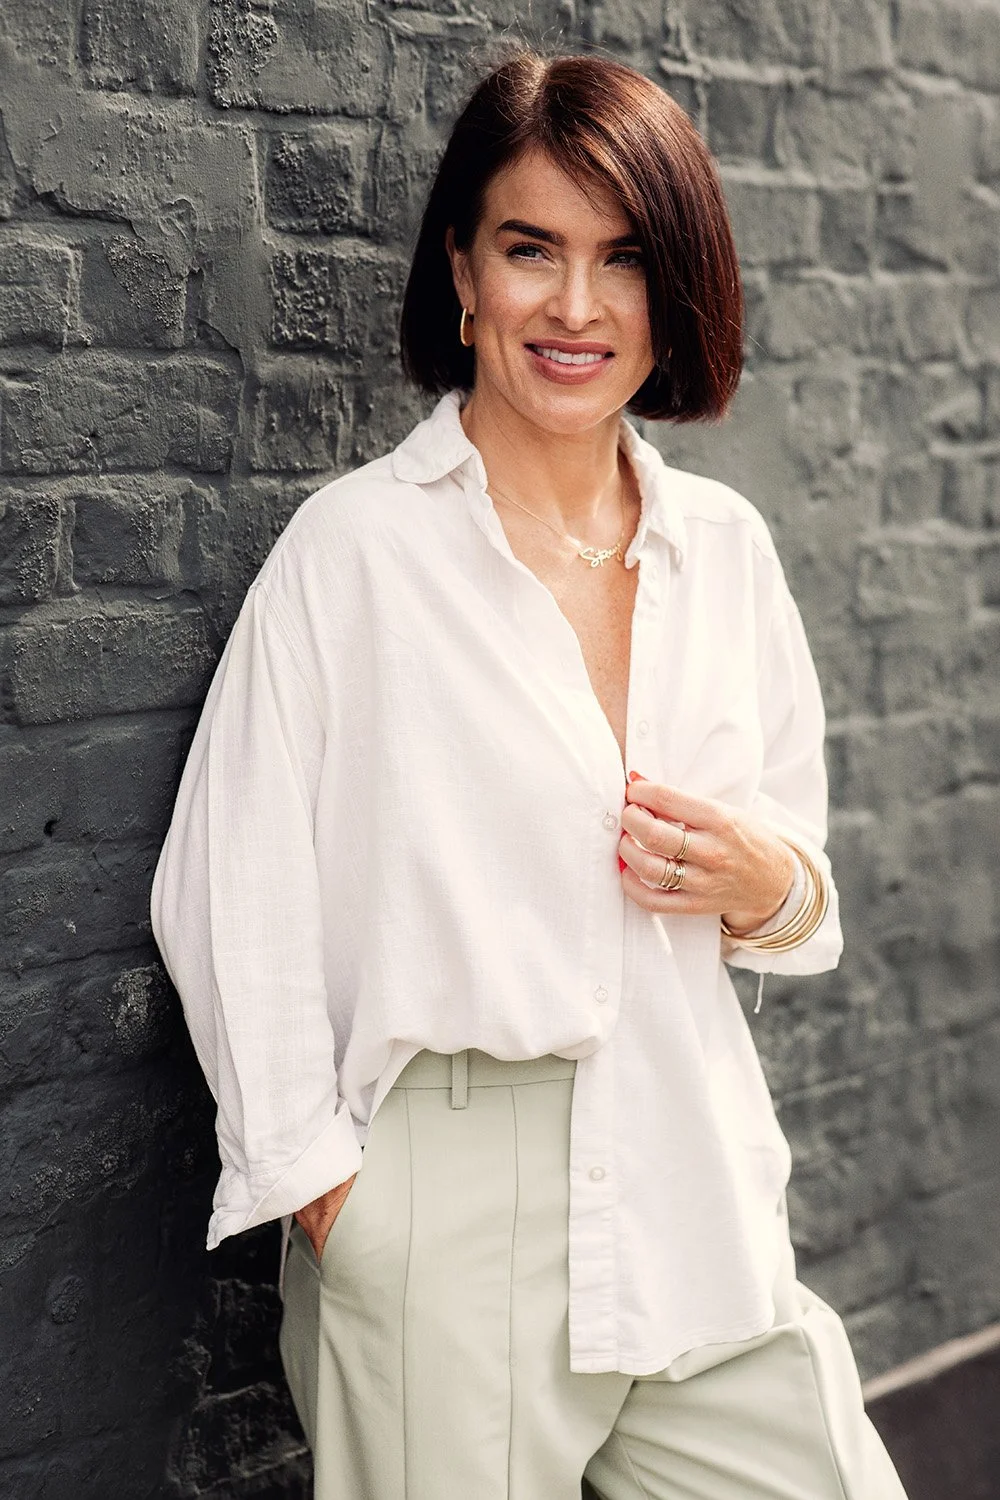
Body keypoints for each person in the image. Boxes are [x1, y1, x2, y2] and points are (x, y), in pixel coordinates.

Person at [150, 48, 909, 1500]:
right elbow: (222, 894)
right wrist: (338, 1207)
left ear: (672, 289)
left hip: (693, 1188)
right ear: (462, 272)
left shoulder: (727, 555)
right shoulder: (357, 555)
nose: (576, 306)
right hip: (444, 1218)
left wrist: (758, 880)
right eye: (530, 250)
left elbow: (806, 908)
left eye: (623, 258)